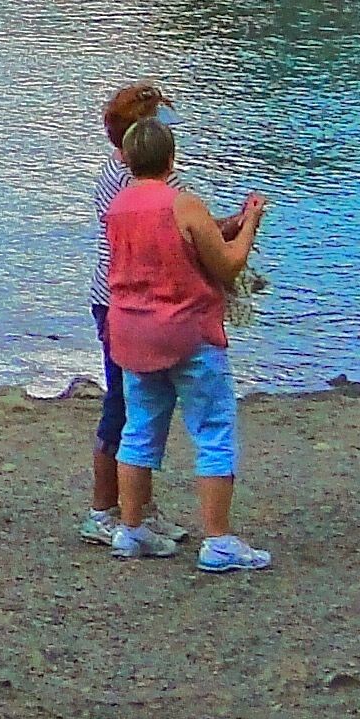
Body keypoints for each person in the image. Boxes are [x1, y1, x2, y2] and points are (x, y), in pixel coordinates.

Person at [100, 116, 271, 572]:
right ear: (171, 159)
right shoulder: (183, 204)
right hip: (187, 331)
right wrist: (249, 222)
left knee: (138, 430)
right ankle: (218, 541)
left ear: (128, 159)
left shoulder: (117, 209)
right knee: (213, 430)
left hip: (132, 332)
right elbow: (229, 264)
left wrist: (227, 224)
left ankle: (131, 528)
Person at [78, 80, 168, 547]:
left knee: (143, 403)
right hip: (120, 302)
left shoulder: (130, 175)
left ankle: (139, 506)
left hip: (127, 299)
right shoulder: (126, 180)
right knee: (122, 402)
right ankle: (102, 509)